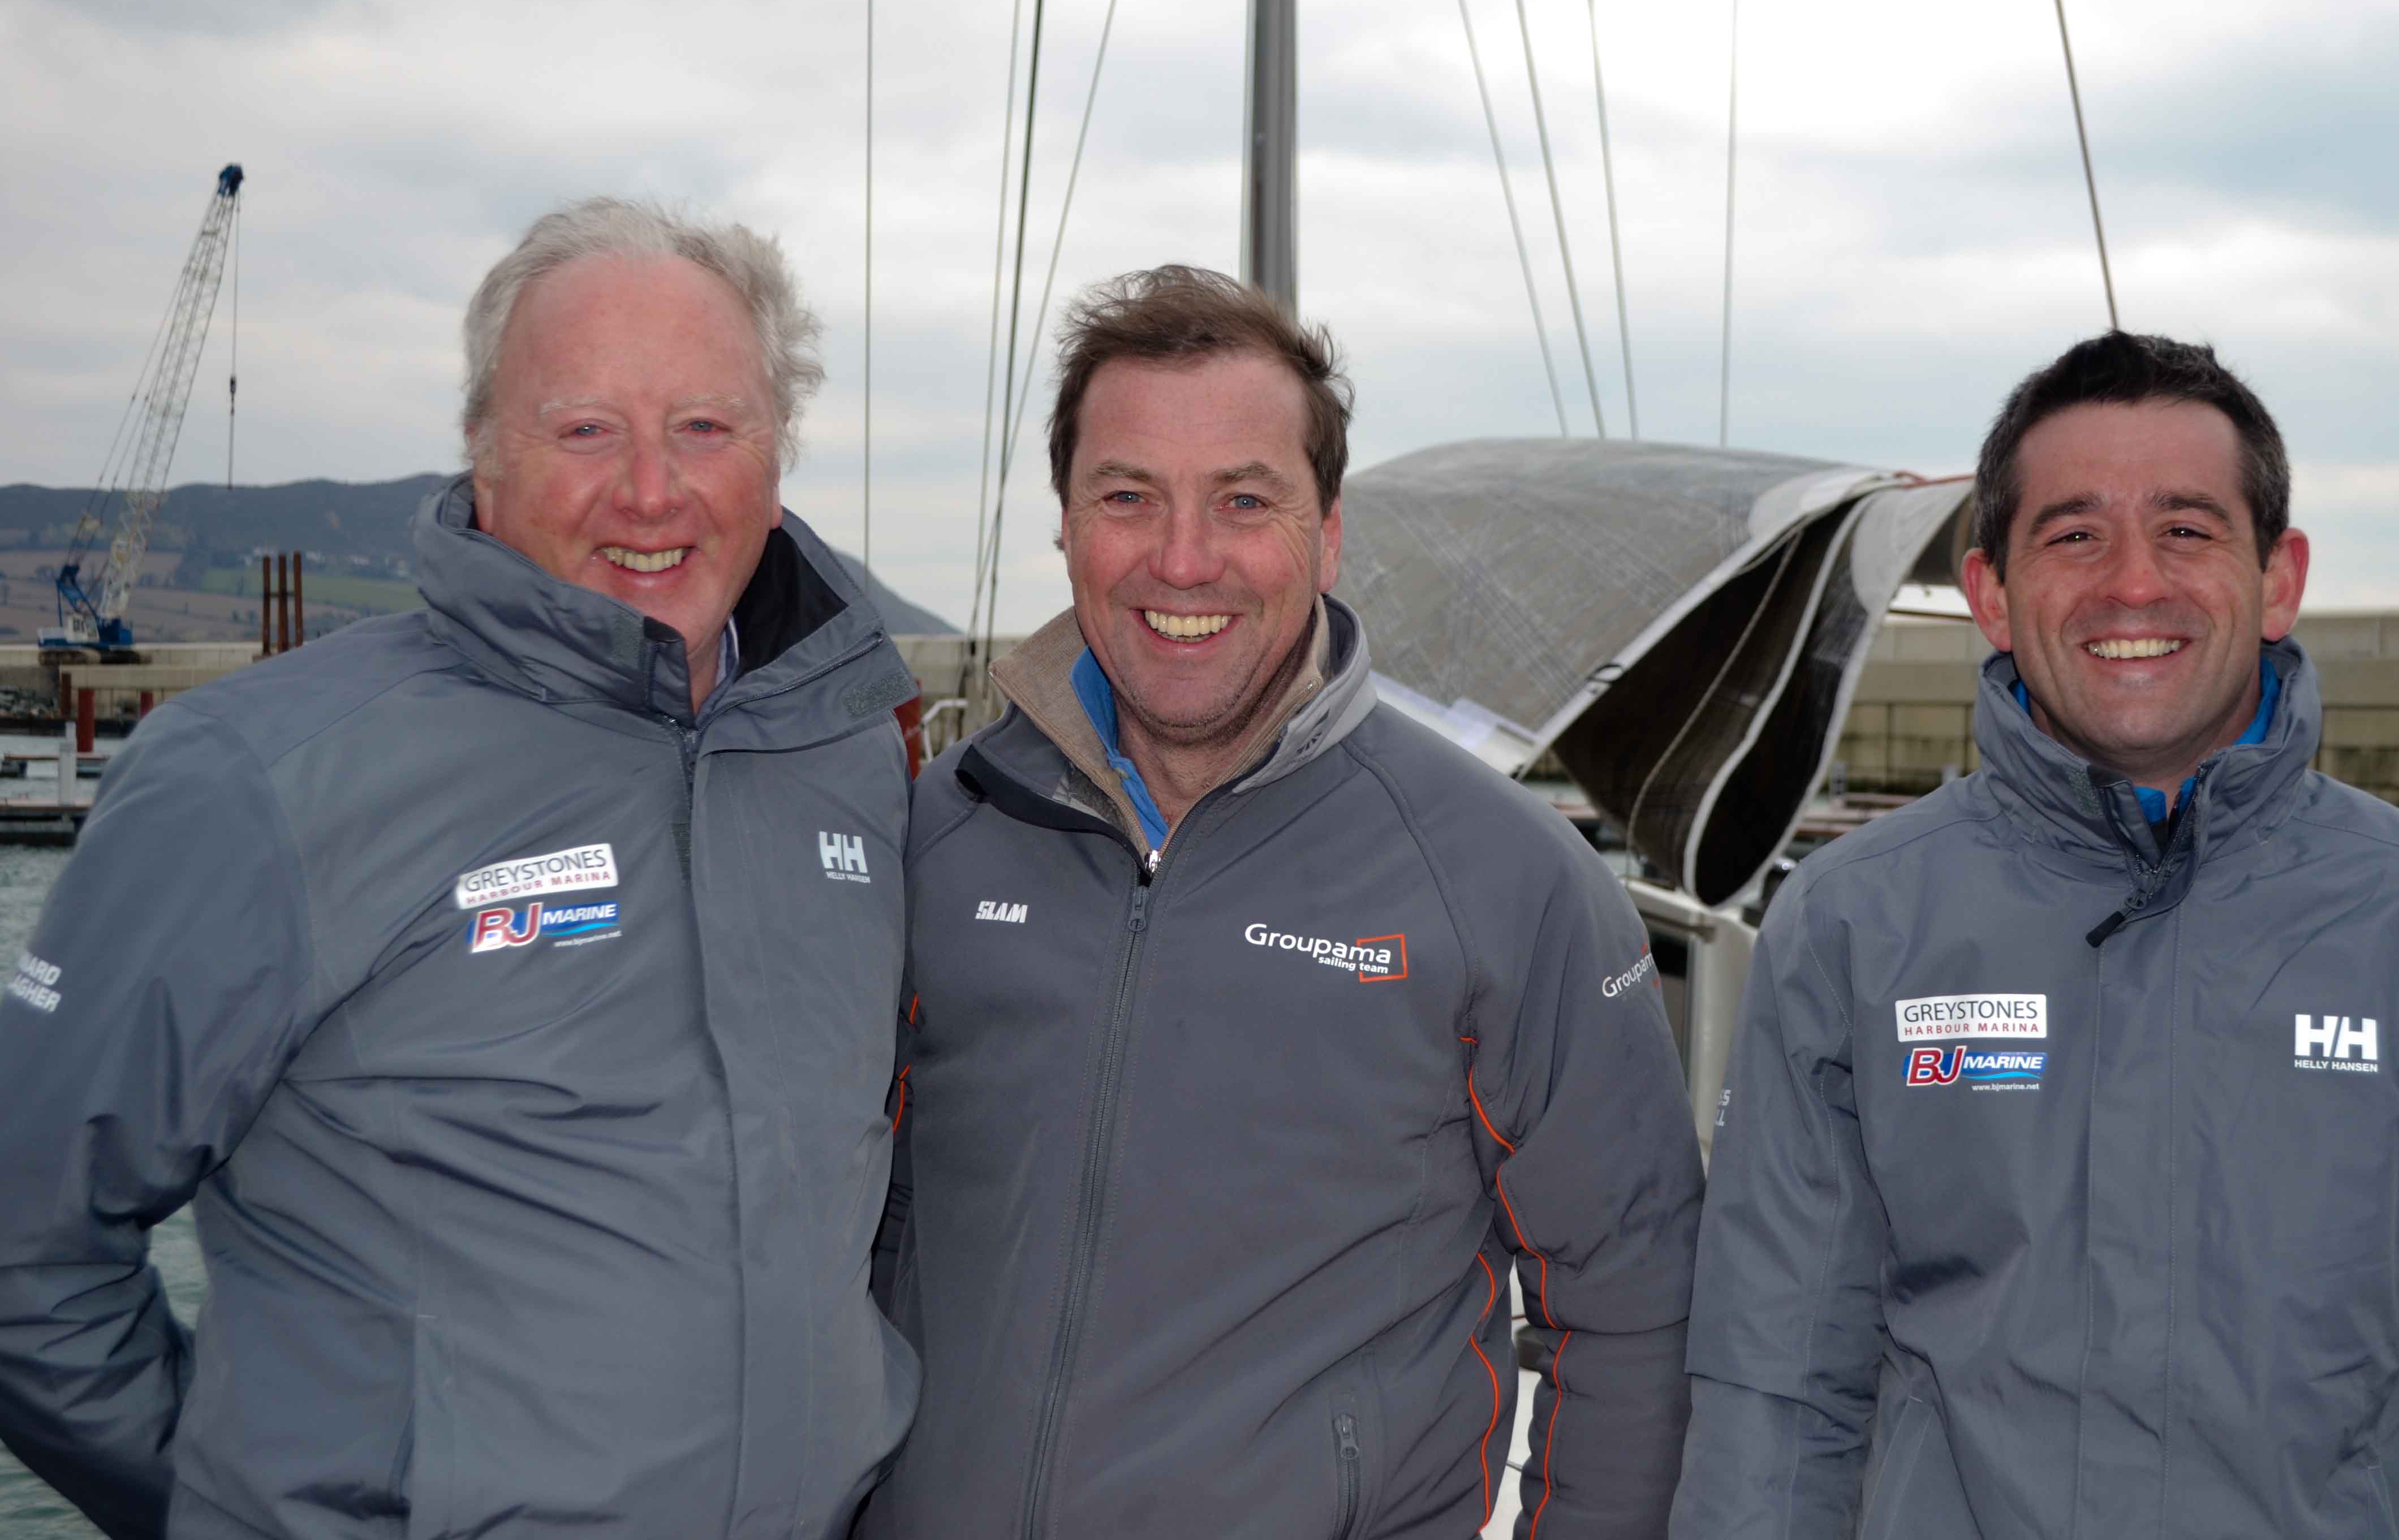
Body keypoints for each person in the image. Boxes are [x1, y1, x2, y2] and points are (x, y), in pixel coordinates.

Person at [0, 200, 923, 1539]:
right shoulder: (258, 779)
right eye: (585, 429)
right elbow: (24, 1248)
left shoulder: (851, 759)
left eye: (705, 428)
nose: (650, 490)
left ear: (775, 460)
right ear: (485, 455)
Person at [1671, 331, 2399, 1538]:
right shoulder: (1852, 925)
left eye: (2187, 529)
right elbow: (1777, 1387)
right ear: (1991, 596)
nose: (2132, 584)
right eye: (2074, 536)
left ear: (2278, 579)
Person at [863, 265, 1702, 1539]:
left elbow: (1638, 1310)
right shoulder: (945, 834)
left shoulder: (1502, 880)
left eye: (1244, 501)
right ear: (1067, 526)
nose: (1182, 559)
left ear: (1329, 533)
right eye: (1127, 497)